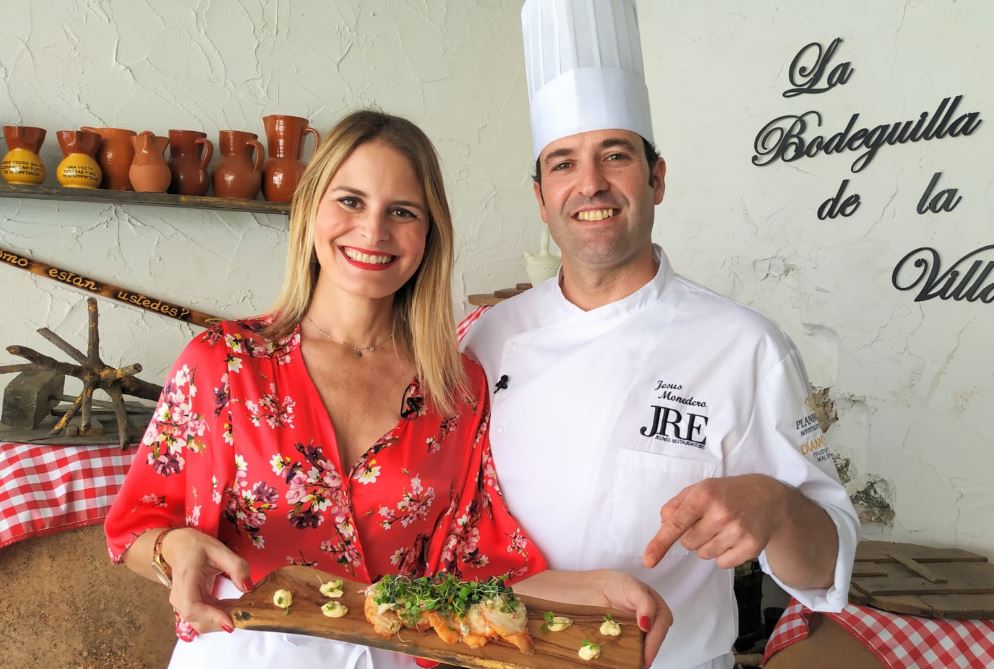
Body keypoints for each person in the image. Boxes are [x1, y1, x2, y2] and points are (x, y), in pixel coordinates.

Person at [105, 110, 671, 669]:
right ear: (312, 209)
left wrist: (595, 588)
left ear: (429, 234)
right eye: (350, 201)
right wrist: (172, 549)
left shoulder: (454, 389)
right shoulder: (226, 362)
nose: (373, 231)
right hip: (243, 654)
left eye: (402, 211)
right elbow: (135, 527)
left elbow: (478, 570)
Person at [459, 2, 861, 668]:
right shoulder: (483, 338)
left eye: (615, 155)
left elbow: (825, 569)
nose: (590, 184)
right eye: (563, 163)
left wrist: (776, 506)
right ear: (540, 198)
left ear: (657, 178)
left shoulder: (746, 347)